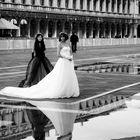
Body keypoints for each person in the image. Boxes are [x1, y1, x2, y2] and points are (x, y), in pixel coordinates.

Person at [0, 32, 80, 99]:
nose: (62, 38)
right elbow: (58, 54)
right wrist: (67, 57)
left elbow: (71, 52)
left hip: (67, 62)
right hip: (61, 61)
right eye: (61, 37)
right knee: (55, 75)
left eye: (63, 37)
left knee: (67, 76)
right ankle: (60, 89)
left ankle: (68, 90)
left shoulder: (68, 44)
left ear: (65, 37)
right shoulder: (59, 44)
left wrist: (71, 58)